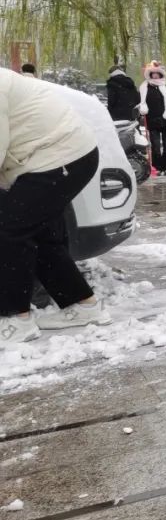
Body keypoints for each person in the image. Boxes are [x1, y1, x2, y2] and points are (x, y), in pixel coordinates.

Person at [0, 69, 112, 346]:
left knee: (9, 231)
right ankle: (83, 306)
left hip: (58, 158)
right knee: (40, 234)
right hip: (60, 156)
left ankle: (16, 319)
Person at [138, 61, 166, 175]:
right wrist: (143, 108)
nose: (155, 75)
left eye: (157, 74)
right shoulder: (145, 88)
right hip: (153, 121)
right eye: (153, 73)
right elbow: (141, 102)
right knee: (156, 146)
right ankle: (157, 167)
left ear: (161, 75)